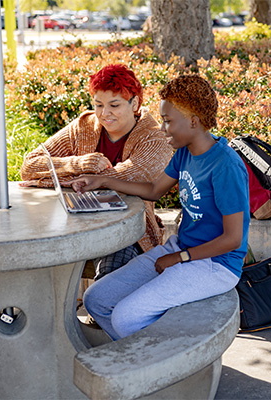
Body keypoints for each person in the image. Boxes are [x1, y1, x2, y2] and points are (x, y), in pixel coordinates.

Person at [69, 74, 250, 340]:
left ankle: (163, 366)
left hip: (216, 265)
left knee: (125, 317)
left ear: (193, 121)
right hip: (181, 248)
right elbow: (154, 190)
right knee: (96, 299)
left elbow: (233, 239)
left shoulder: (226, 166)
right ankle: (142, 356)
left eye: (167, 121)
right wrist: (104, 180)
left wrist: (179, 259)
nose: (163, 129)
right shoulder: (186, 152)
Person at [21, 64, 172, 280]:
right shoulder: (83, 126)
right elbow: (29, 166)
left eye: (114, 105)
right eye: (98, 104)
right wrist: (78, 164)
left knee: (111, 277)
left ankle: (99, 313)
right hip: (74, 222)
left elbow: (131, 176)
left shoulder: (154, 137)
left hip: (128, 230)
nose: (104, 113)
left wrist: (76, 179)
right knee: (36, 255)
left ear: (135, 103)